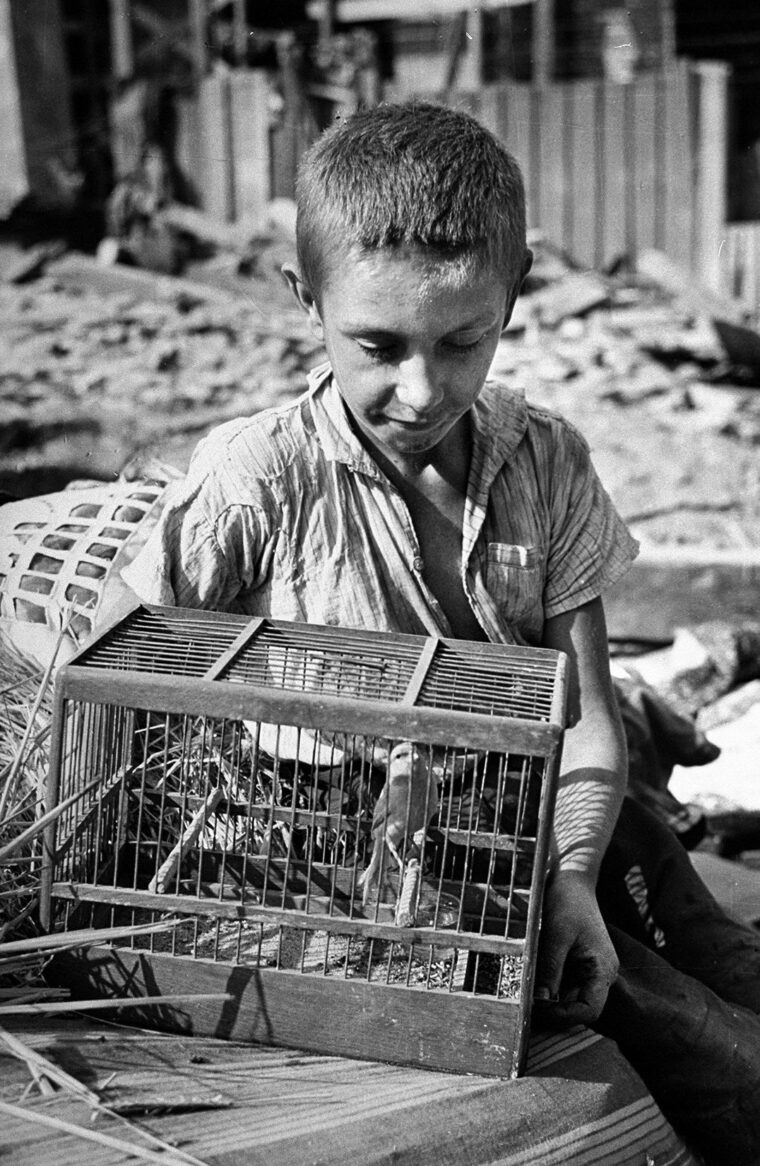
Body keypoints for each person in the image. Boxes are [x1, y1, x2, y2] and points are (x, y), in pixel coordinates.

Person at [122, 101, 760, 1163]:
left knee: (726, 962)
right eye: (377, 345)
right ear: (304, 297)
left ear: (515, 294)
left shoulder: (544, 462)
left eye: (464, 340)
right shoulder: (258, 478)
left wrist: (569, 870)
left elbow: (590, 715)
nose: (420, 390)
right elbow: (120, 663)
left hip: (562, 818)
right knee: (705, 1048)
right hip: (369, 853)